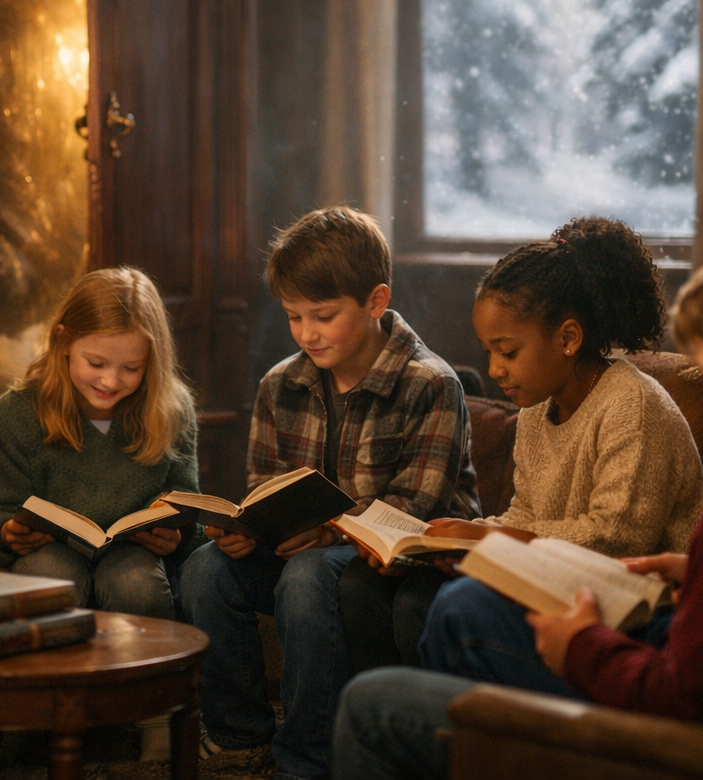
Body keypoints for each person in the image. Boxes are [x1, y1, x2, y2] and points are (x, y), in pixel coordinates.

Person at [333, 223, 703, 780]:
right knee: (450, 602)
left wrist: (582, 647)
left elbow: (682, 700)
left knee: (377, 694)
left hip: (671, 741)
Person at [179, 206, 480, 780]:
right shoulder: (280, 383)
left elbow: (415, 509)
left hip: (398, 558)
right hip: (305, 546)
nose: (306, 333)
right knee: (204, 568)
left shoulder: (430, 383)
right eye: (293, 317)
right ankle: (238, 736)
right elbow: (264, 486)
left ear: (375, 300)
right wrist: (248, 529)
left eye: (322, 316)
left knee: (308, 573)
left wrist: (327, 530)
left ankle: (308, 757)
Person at [338, 217, 703, 680]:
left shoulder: (632, 405)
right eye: (488, 352)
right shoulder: (537, 410)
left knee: (446, 605)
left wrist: (489, 541)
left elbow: (616, 539)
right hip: (564, 583)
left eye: (508, 351)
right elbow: (527, 514)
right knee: (402, 590)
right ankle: (421, 714)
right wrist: (449, 538)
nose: (494, 369)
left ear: (568, 339)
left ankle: (447, 716)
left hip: (642, 610)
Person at [0, 266, 201, 762]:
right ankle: (36, 715)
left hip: (131, 553)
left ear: (153, 362)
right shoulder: (17, 411)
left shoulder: (171, 409)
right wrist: (8, 534)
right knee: (50, 580)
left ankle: (154, 715)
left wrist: (176, 535)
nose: (111, 380)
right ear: (63, 342)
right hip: (49, 552)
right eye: (96, 363)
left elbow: (189, 505)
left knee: (137, 583)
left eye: (131, 368)